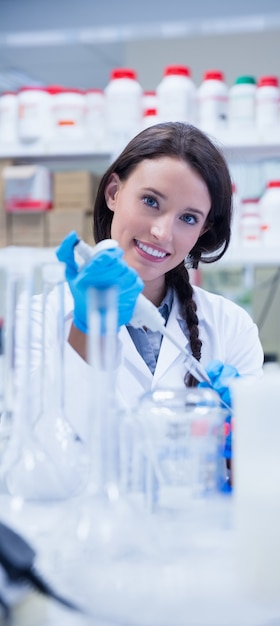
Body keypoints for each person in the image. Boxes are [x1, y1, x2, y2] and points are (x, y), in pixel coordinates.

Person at [15, 122, 264, 490]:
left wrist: (240, 437)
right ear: (114, 192)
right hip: (89, 542)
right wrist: (87, 332)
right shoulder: (39, 319)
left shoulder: (230, 326)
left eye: (188, 218)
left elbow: (255, 485)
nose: (163, 232)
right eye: (151, 201)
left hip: (196, 540)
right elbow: (34, 476)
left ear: (203, 230)